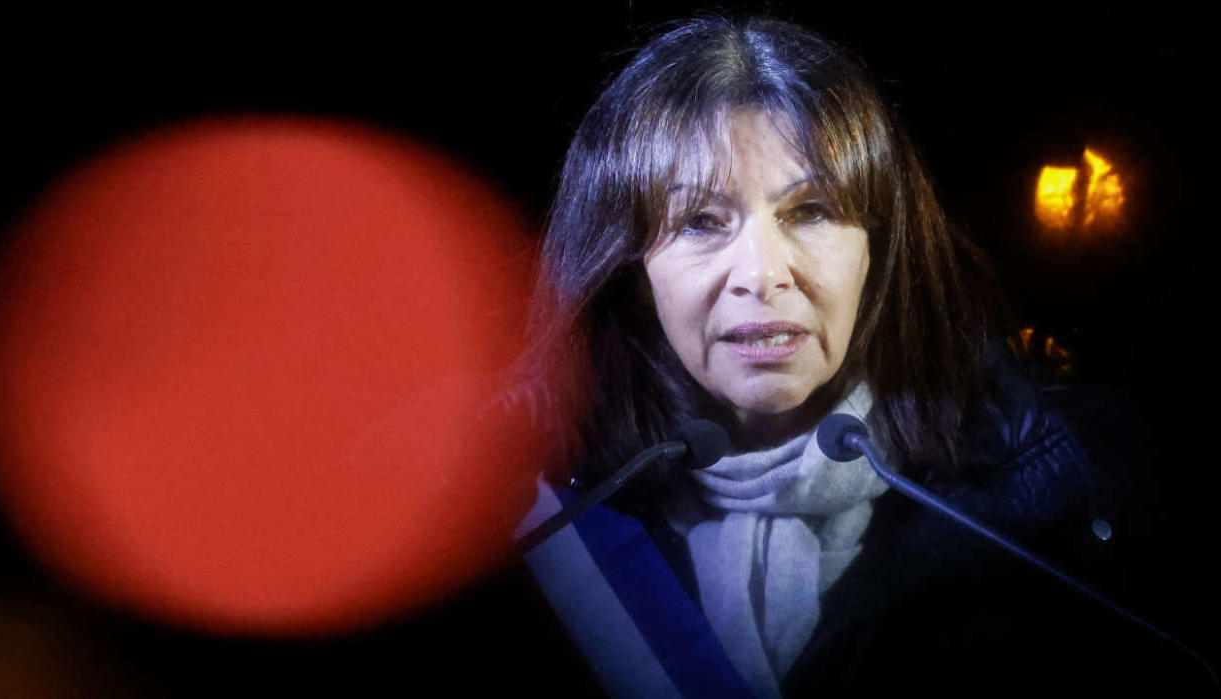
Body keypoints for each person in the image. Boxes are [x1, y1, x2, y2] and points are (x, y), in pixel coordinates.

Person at [505, 15, 1207, 697]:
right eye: (700, 221)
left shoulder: (1080, 479)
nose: (763, 274)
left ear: (877, 247)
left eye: (810, 211)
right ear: (635, 271)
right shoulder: (530, 520)